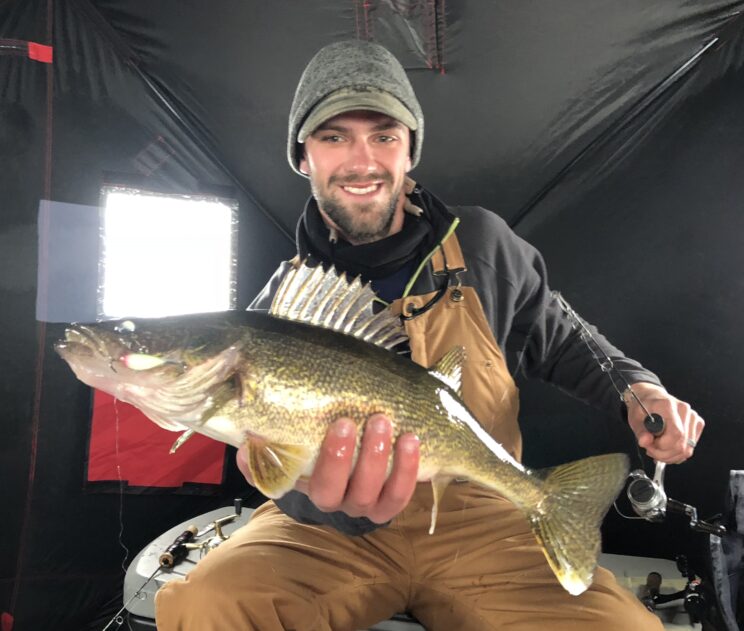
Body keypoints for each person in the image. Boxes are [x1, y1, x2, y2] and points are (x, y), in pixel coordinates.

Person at [155, 39, 705, 630]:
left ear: (409, 149)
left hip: (482, 517)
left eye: (384, 135)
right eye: (333, 136)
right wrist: (328, 503)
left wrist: (640, 391)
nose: (361, 160)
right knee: (209, 606)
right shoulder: (276, 309)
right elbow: (274, 470)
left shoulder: (486, 246)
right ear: (302, 156)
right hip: (322, 532)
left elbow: (567, 339)